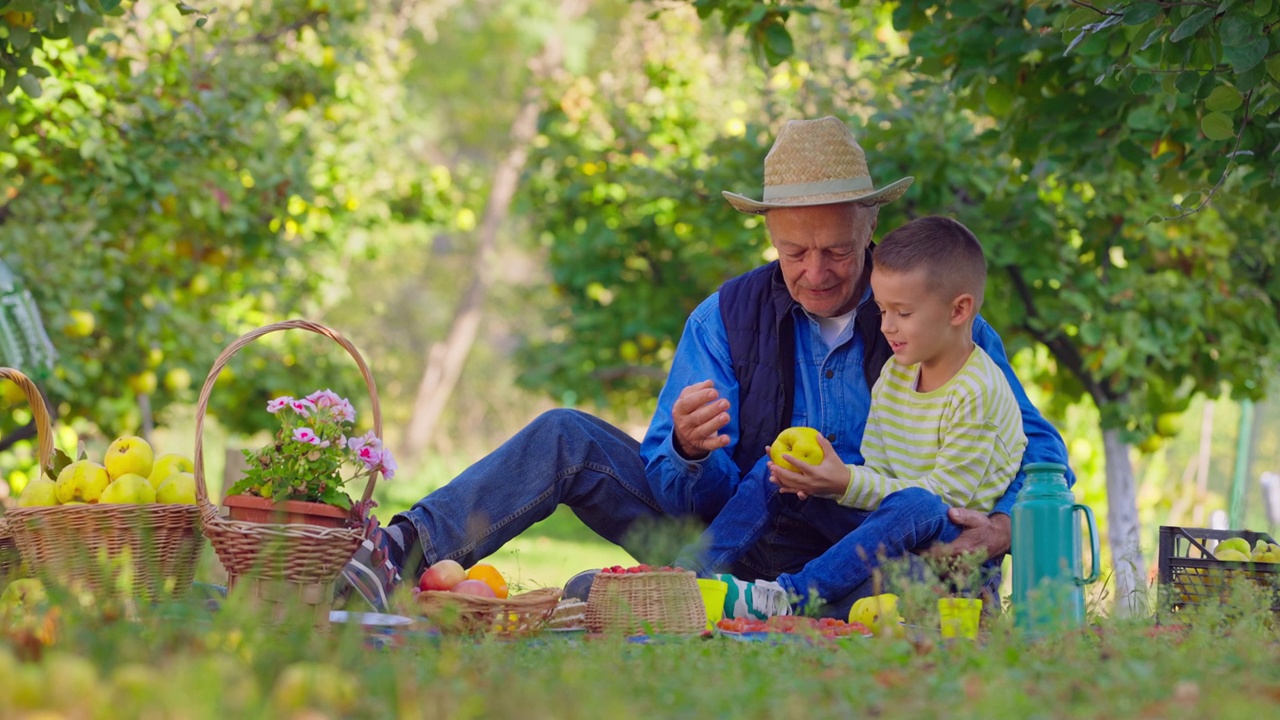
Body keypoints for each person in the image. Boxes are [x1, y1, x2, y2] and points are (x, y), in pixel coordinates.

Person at [338, 116, 1072, 616]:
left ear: (870, 227)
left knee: (917, 548)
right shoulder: (723, 317)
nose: (815, 272)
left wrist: (1005, 525)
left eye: (837, 251)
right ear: (770, 235)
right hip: (730, 535)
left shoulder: (935, 317)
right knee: (566, 434)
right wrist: (689, 452)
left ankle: (681, 595)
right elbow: (669, 481)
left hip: (862, 549)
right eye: (794, 252)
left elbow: (1039, 450)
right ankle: (395, 552)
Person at [674, 215, 1028, 617]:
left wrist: (844, 482)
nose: (887, 326)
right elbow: (875, 467)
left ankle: (785, 598)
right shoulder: (898, 372)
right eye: (881, 311)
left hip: (952, 548)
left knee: (917, 503)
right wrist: (825, 482)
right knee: (781, 468)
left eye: (903, 313)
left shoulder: (978, 391)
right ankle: (682, 577)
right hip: (888, 526)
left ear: (959, 310)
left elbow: (946, 501)